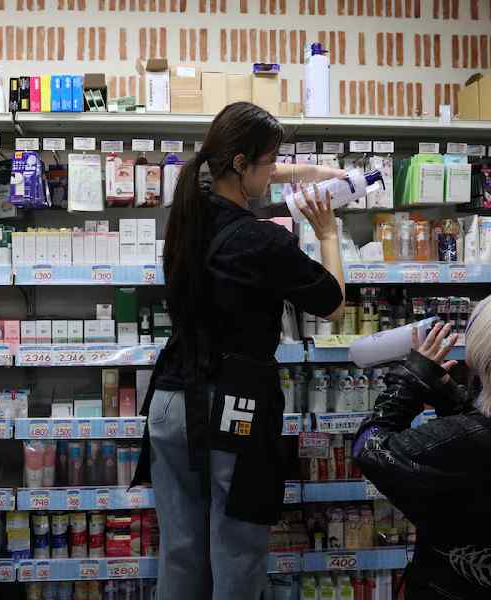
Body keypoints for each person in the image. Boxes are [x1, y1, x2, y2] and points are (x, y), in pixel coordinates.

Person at [130, 101, 347, 600]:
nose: (275, 172)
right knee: (237, 554)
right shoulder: (261, 241)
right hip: (233, 410)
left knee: (181, 553)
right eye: (270, 162)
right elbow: (333, 304)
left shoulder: (187, 213)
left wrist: (309, 170)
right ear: (241, 165)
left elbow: (250, 172)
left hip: (170, 402)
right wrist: (328, 232)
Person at [354, 287, 491, 600]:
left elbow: (369, 449)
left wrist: (407, 382)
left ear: (486, 354)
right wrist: (450, 397)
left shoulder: (459, 442)